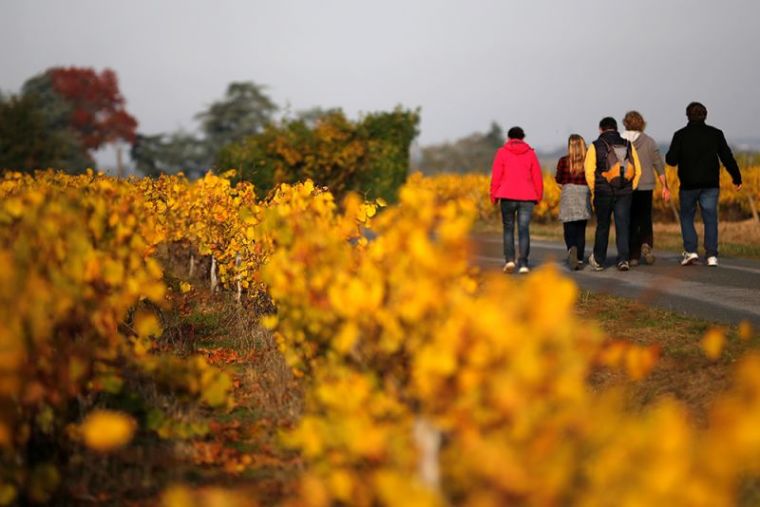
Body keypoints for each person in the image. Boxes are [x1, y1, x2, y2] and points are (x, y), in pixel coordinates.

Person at [666, 102, 742, 267]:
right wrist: (737, 177)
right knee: (710, 218)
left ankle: (691, 251)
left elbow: (670, 160)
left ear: (688, 115)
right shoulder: (715, 134)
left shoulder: (680, 135)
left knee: (687, 217)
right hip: (710, 184)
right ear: (705, 115)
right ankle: (711, 255)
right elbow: (727, 157)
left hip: (688, 185)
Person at [584, 117, 642, 271]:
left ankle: (599, 260)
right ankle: (623, 259)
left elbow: (589, 172)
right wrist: (630, 187)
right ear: (616, 128)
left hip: (603, 192)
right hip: (624, 193)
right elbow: (638, 169)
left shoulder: (595, 146)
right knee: (623, 226)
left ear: (601, 129)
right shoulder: (628, 144)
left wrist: (594, 190)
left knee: (603, 226)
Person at [489, 126, 544, 274]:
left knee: (508, 229)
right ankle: (524, 263)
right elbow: (537, 176)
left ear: (509, 138)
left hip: (507, 195)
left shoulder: (502, 152)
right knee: (524, 229)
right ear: (522, 138)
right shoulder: (530, 154)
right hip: (527, 197)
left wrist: (493, 195)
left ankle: (510, 261)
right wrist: (538, 195)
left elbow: (496, 175)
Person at [621, 111, 671, 266]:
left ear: (626, 123)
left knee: (631, 220)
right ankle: (646, 243)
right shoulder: (649, 142)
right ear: (642, 123)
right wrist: (665, 186)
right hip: (646, 185)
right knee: (645, 217)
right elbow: (659, 166)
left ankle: (633, 255)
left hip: (627, 186)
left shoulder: (620, 141)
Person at [555, 134, 591, 270]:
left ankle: (572, 248)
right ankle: (580, 258)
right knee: (581, 229)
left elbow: (558, 179)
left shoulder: (563, 161)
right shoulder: (588, 161)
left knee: (568, 227)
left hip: (568, 192)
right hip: (584, 193)